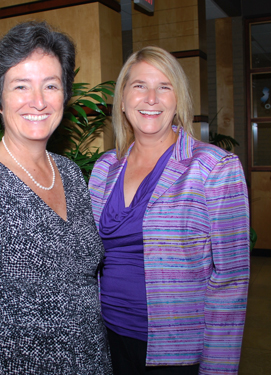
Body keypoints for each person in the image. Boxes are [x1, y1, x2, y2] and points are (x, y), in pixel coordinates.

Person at [0, 21, 112, 375]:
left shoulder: (69, 173)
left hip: (93, 360)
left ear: (64, 95)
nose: (38, 101)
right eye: (21, 86)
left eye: (50, 86)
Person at [89, 46, 250, 375]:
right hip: (106, 339)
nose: (151, 98)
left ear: (178, 100)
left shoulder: (214, 167)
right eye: (139, 86)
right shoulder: (104, 168)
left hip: (176, 352)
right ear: (122, 100)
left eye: (164, 87)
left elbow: (231, 280)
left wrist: (218, 368)